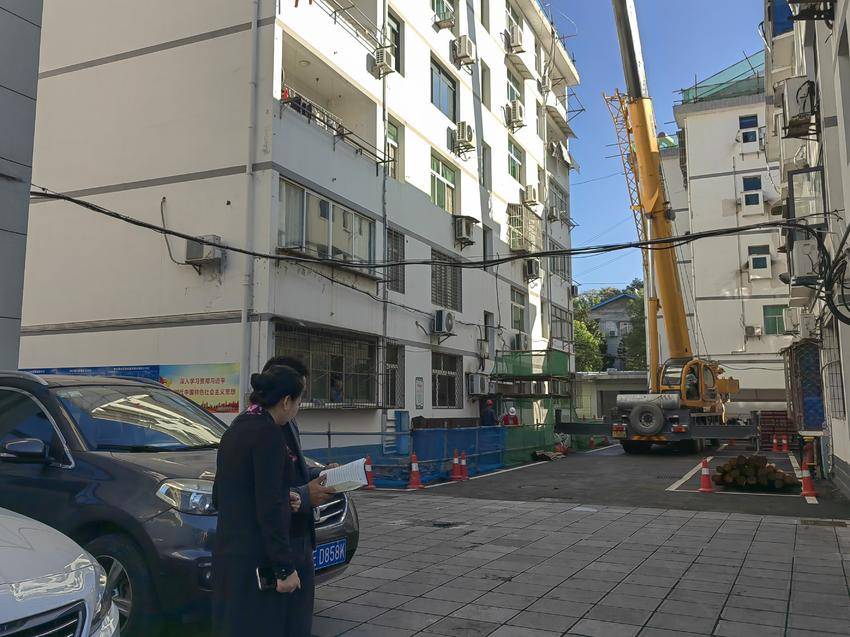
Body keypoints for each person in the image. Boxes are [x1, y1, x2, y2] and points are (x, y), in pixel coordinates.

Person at [211, 365, 304, 636]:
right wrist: (284, 568)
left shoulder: (236, 428)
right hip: (256, 558)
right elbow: (269, 507)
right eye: (298, 402)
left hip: (229, 555)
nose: (297, 409)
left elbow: (221, 494)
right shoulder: (269, 435)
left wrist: (281, 495)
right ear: (286, 401)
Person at [262, 355, 336, 634]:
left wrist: (321, 473)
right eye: (298, 397)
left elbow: (293, 467)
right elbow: (264, 493)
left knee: (301, 617)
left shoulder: (288, 422)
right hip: (281, 539)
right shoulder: (258, 431)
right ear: (284, 397)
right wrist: (304, 495)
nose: (300, 404)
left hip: (301, 536)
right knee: (280, 619)